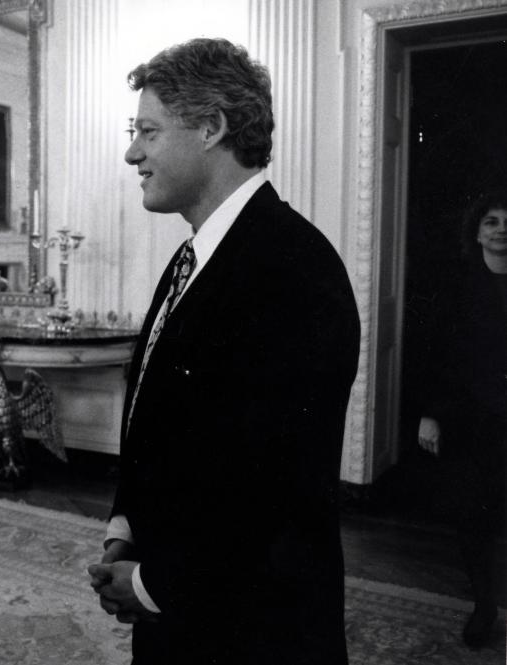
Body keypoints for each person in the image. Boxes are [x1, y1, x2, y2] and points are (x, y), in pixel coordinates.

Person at [87, 38, 361, 664]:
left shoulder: (295, 270)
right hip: (186, 605)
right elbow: (160, 417)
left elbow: (274, 484)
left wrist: (156, 585)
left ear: (210, 127)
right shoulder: (194, 255)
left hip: (254, 628)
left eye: (148, 132)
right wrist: (124, 532)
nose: (133, 152)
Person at [417, 190, 507, 648]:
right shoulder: (458, 286)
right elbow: (439, 355)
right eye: (492, 221)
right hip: (473, 420)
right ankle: (484, 605)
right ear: (477, 232)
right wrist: (431, 414)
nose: (502, 229)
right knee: (475, 515)